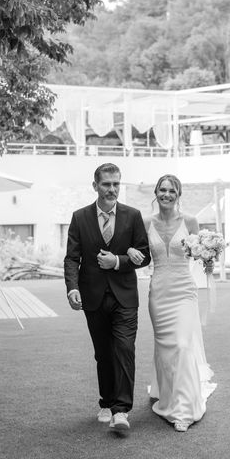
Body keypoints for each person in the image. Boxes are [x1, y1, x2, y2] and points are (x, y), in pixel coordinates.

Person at [64, 163, 151, 431]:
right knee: (103, 353)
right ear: (95, 186)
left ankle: (121, 410)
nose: (112, 189)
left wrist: (118, 261)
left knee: (124, 349)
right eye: (106, 184)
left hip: (125, 297)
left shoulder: (133, 215)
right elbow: (72, 258)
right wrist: (72, 287)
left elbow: (144, 255)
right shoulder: (79, 217)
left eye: (116, 184)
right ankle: (106, 401)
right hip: (93, 296)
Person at [126, 174, 216, 432]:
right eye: (162, 190)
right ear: (156, 193)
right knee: (166, 347)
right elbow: (138, 253)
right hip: (159, 291)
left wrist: (209, 259)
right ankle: (166, 394)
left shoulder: (190, 221)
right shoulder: (145, 222)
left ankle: (185, 409)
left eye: (172, 191)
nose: (166, 195)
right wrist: (130, 253)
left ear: (178, 195)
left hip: (184, 290)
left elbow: (201, 254)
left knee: (182, 344)